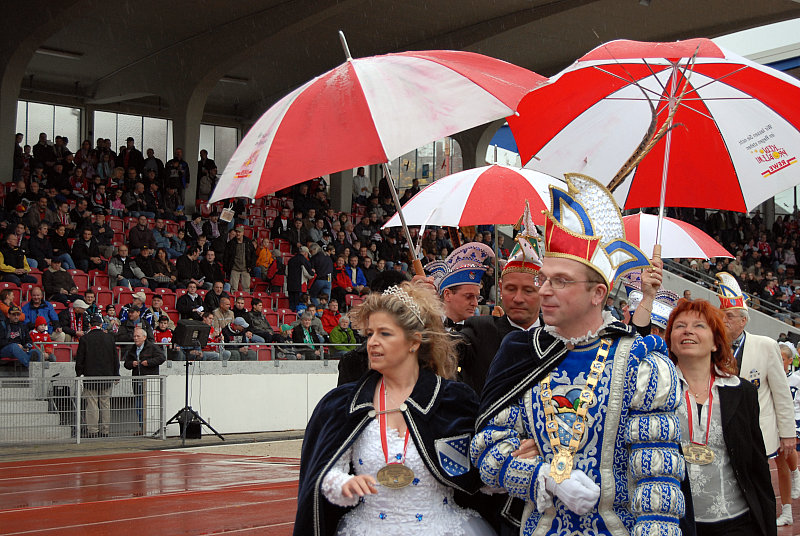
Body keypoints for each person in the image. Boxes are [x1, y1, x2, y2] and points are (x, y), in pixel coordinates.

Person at [471, 174, 684, 536]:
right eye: (545, 279)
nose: (546, 291)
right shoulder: (522, 352)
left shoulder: (640, 362)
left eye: (561, 281)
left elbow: (657, 479)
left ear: (598, 293)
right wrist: (545, 478)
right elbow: (488, 451)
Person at [295, 281, 493, 535]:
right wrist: (344, 484)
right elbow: (326, 473)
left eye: (385, 334)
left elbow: (480, 477)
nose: (372, 343)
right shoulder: (343, 404)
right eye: (369, 334)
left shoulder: (453, 400)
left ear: (414, 342)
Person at [665, 298, 776, 535]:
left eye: (699, 326)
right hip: (674, 523)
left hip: (735, 522)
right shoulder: (658, 391)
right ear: (671, 343)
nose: (688, 331)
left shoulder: (741, 391)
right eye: (679, 326)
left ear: (716, 342)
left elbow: (757, 465)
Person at [715, 272, 797, 525]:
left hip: (761, 426)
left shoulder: (766, 345)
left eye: (729, 317)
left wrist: (788, 433)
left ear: (743, 320)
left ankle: (785, 510)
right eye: (722, 316)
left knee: (770, 472)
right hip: (725, 425)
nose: (724, 321)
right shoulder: (713, 346)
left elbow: (781, 393)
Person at [459, 202, 542, 396]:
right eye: (511, 289)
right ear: (501, 289)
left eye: (528, 290)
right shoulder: (480, 331)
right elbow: (439, 353)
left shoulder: (559, 336)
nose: (518, 298)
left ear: (543, 291)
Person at [425, 242, 494, 331]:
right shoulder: (425, 328)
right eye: (469, 296)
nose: (475, 304)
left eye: (477, 298)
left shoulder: (478, 333)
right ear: (447, 295)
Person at [75, 314, 119, 438]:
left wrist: (79, 374)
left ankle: (93, 430)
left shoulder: (85, 339)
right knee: (105, 403)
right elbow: (115, 357)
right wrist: (116, 374)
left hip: (90, 377)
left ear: (90, 325)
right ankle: (105, 430)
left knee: (92, 404)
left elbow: (80, 360)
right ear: (101, 325)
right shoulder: (109, 338)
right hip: (107, 376)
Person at [123, 327, 165, 435]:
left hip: (149, 381)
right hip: (137, 380)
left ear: (144, 337)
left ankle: (150, 428)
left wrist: (149, 362)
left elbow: (162, 358)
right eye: (134, 336)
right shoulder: (132, 349)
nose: (135, 338)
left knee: (149, 405)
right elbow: (126, 363)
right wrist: (132, 364)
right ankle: (142, 427)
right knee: (139, 405)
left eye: (138, 336)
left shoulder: (152, 347)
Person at [223, 224, 255, 292]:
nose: (238, 233)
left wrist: (251, 266)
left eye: (239, 232)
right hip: (234, 268)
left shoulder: (248, 242)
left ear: (243, 233)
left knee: (246, 288)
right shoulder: (231, 243)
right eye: (237, 232)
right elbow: (226, 256)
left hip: (245, 268)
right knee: (233, 288)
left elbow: (253, 255)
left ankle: (246, 301)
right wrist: (227, 267)